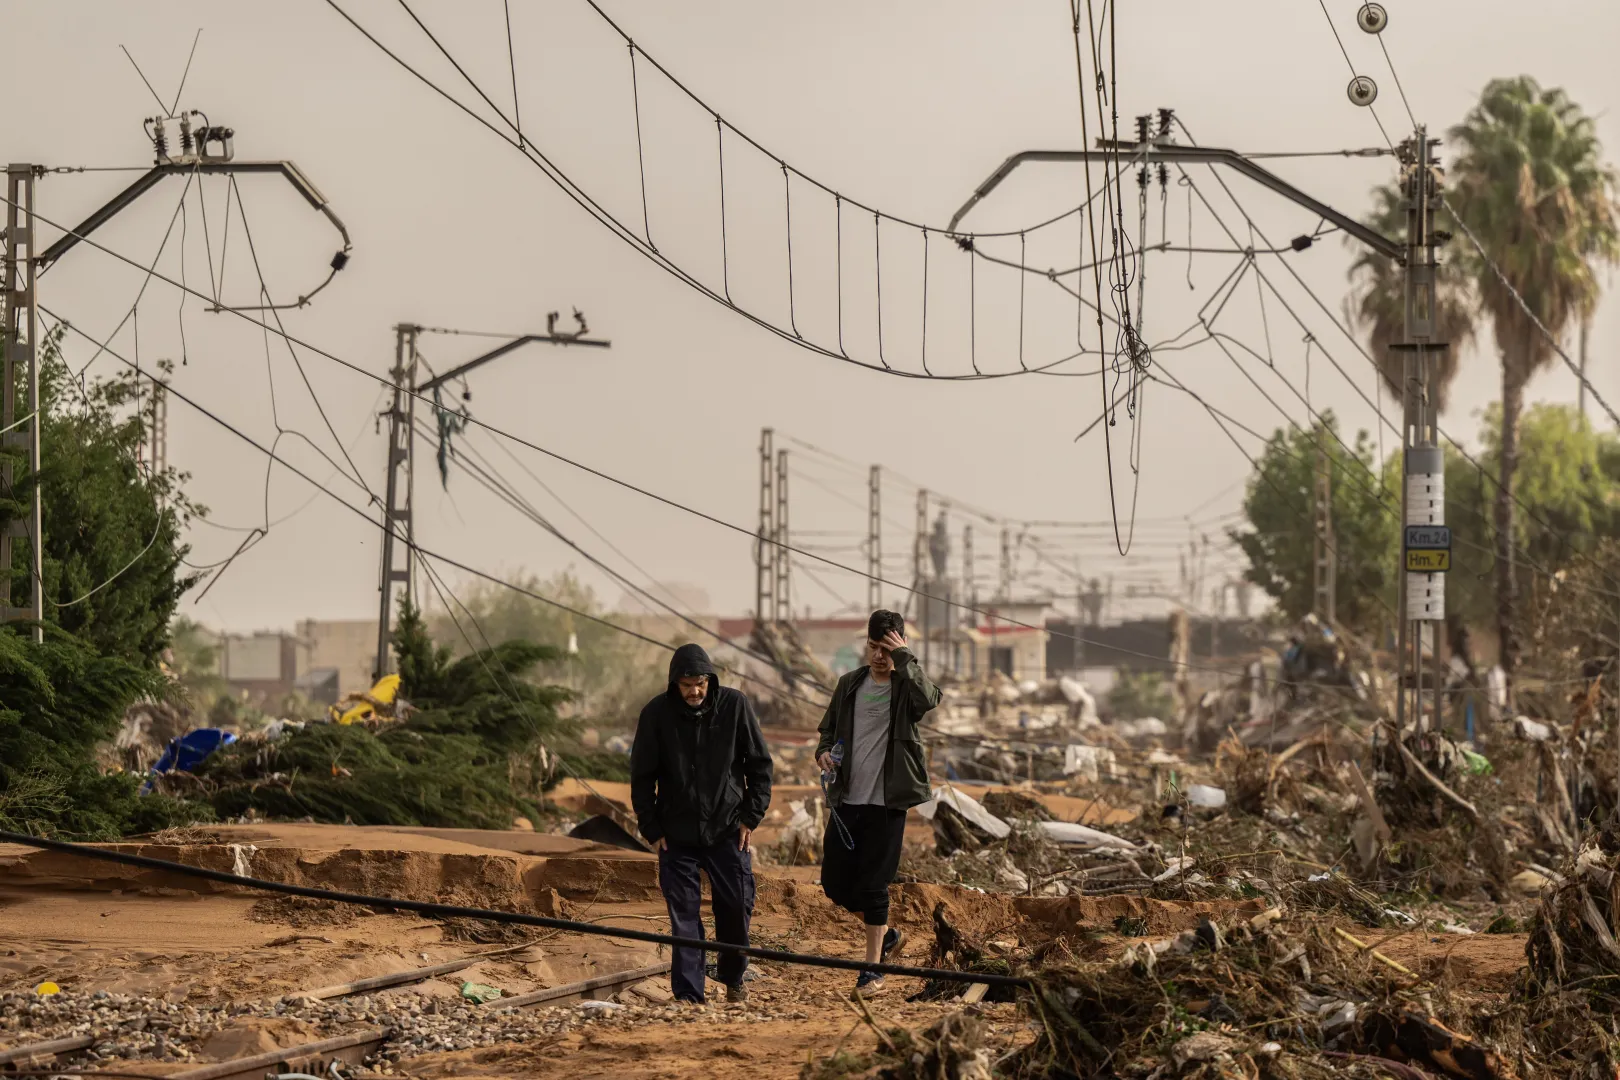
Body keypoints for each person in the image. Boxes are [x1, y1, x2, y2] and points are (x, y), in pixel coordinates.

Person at [630, 643, 773, 1005]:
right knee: (684, 916)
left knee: (736, 905)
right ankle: (689, 997)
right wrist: (652, 828)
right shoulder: (656, 715)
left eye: (700, 683)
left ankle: (732, 977)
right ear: (674, 684)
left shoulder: (735, 706)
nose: (695, 691)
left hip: (728, 829)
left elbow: (759, 766)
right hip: (675, 834)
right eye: (687, 684)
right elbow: (641, 777)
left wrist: (750, 817)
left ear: (711, 680)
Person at [815, 609, 942, 998]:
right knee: (834, 884)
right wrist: (822, 752)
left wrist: (905, 659)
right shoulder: (849, 684)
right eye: (873, 647)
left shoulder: (906, 686)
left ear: (899, 647)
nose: (879, 656)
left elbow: (931, 698)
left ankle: (872, 971)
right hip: (847, 799)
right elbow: (827, 730)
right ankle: (887, 935)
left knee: (873, 885)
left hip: (887, 803)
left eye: (886, 649)